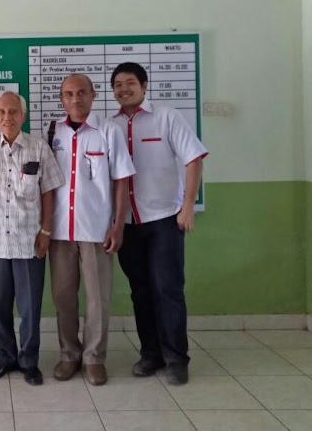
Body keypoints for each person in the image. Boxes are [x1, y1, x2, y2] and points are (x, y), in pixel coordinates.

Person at [110, 62, 208, 386]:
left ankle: (177, 359)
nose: (124, 89)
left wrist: (188, 206)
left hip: (164, 220)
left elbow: (193, 158)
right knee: (141, 292)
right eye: (118, 85)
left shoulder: (166, 116)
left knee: (168, 290)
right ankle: (150, 354)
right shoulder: (109, 126)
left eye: (130, 83)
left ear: (144, 85)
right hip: (128, 224)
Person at [0, 91, 64, 386]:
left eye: (13, 112)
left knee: (30, 305)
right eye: (1, 113)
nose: (7, 117)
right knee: (0, 303)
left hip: (29, 241)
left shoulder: (39, 148)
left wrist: (46, 230)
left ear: (23, 115)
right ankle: (5, 357)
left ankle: (29, 361)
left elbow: (49, 191)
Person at [49, 74, 135, 386]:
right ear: (62, 98)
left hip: (97, 229)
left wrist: (117, 225)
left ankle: (94, 358)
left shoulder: (109, 131)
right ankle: (69, 354)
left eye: (82, 93)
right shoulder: (53, 132)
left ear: (93, 95)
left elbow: (121, 179)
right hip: (59, 230)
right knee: (63, 297)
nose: (76, 99)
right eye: (69, 94)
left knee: (98, 298)